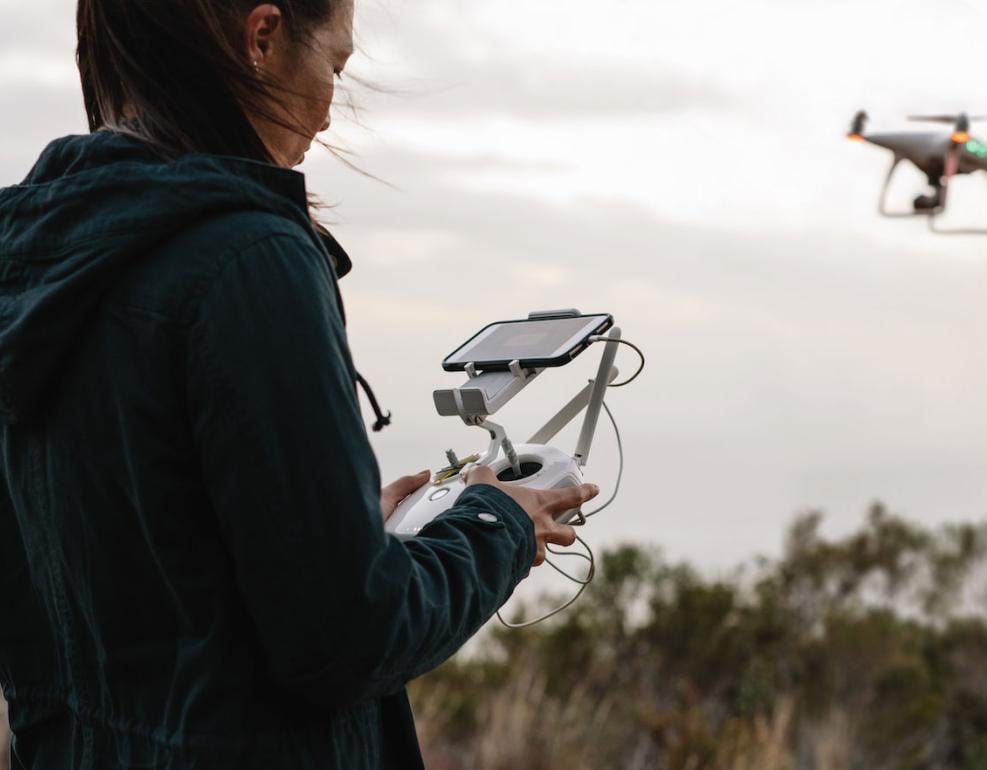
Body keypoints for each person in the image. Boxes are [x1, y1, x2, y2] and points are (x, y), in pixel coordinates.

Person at [0, 1, 597, 767]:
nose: (325, 117)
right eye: (336, 68)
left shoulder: (36, 267)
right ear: (262, 37)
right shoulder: (248, 260)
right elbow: (346, 639)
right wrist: (495, 522)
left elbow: (128, 572)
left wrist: (342, 536)